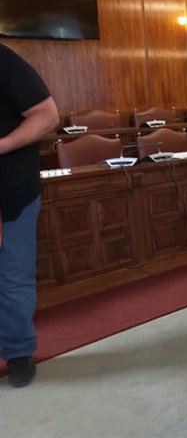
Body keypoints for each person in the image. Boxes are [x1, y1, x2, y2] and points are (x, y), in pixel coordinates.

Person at [0, 43, 60, 387]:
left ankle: (19, 352)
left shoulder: (4, 60)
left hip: (10, 191)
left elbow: (47, 115)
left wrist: (2, 145)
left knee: (12, 276)